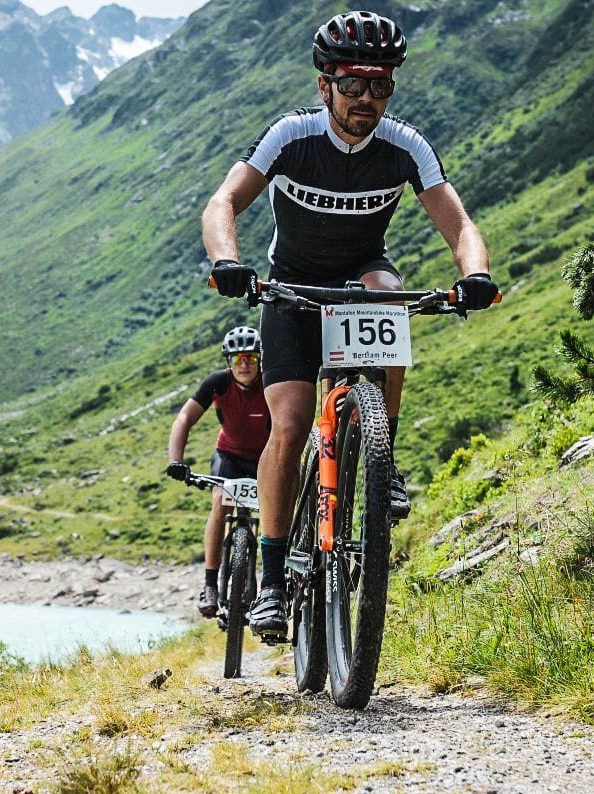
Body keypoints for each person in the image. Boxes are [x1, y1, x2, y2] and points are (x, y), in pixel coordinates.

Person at [200, 10, 499, 636]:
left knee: (389, 293)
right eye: (354, 85)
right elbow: (224, 201)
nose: (368, 99)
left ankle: (380, 455)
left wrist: (473, 273)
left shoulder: (405, 146)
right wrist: (228, 261)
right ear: (325, 85)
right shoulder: (291, 135)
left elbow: (459, 224)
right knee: (288, 425)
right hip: (289, 287)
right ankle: (275, 580)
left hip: (360, 276)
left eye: (381, 85)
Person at [166, 326, 270, 617]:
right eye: (238, 359)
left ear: (260, 358)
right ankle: (210, 585)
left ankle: (276, 584)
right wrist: (176, 460)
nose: (245, 364)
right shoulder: (217, 383)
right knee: (219, 505)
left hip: (266, 459)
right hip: (229, 457)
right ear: (228, 362)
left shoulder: (271, 382)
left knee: (278, 511)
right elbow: (184, 418)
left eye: (250, 357)